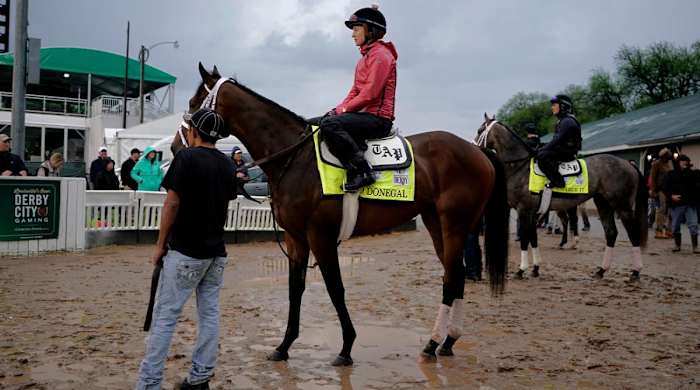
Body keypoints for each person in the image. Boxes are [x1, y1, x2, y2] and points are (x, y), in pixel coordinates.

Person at [135, 108, 236, 389]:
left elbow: (172, 203)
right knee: (209, 315)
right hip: (216, 252)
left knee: (165, 317)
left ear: (193, 132)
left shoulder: (186, 157)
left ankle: (149, 383)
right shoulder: (228, 164)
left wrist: (159, 244)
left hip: (185, 251)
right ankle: (200, 377)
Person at [319, 5, 397, 191]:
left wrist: (341, 111)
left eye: (356, 29)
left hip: (378, 120)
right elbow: (354, 92)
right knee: (315, 123)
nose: (353, 34)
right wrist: (335, 110)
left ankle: (364, 171)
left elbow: (370, 94)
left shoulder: (381, 56)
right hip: (363, 117)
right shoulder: (365, 58)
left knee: (330, 124)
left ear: (370, 30)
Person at [536, 95, 582, 188]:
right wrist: (542, 146)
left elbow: (556, 140)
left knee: (541, 156)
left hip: (568, 152)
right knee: (541, 150)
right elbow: (555, 141)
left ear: (563, 106)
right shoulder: (563, 120)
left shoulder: (567, 121)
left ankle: (558, 181)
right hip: (564, 149)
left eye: (554, 105)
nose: (552, 107)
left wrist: (542, 149)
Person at [663, 154, 699, 253]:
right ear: (678, 163)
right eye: (682, 161)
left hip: (690, 204)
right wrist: (671, 196)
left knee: (693, 224)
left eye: (686, 161)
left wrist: (696, 171)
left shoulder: (693, 174)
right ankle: (677, 245)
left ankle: (695, 247)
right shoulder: (671, 174)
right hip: (677, 204)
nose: (684, 163)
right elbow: (665, 188)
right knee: (675, 226)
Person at [649, 148, 674, 239]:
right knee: (662, 209)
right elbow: (653, 178)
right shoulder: (657, 164)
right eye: (668, 155)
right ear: (664, 156)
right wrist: (653, 191)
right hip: (661, 190)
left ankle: (669, 230)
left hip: (670, 190)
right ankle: (659, 230)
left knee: (670, 210)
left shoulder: (670, 163)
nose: (669, 157)